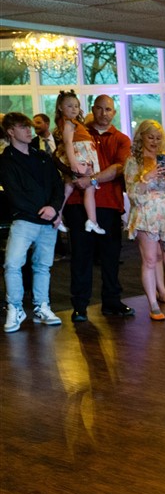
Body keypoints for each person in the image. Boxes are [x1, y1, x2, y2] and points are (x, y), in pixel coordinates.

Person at [64, 95, 135, 322]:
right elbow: (65, 156)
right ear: (93, 109)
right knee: (81, 257)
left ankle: (112, 301)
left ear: (114, 112)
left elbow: (119, 168)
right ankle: (80, 306)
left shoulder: (122, 139)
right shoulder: (78, 131)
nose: (104, 113)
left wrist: (91, 180)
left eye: (109, 109)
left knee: (111, 257)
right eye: (100, 109)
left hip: (110, 203)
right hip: (78, 204)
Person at [1, 112, 63, 333]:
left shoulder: (42, 156)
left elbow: (58, 185)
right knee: (12, 264)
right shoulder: (5, 161)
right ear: (10, 132)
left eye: (29, 127)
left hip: (48, 220)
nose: (29, 130)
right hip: (25, 221)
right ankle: (15, 308)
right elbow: (14, 195)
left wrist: (54, 209)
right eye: (22, 127)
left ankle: (41, 306)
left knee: (43, 266)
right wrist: (47, 213)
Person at [123, 120, 165, 321]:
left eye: (158, 138)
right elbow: (132, 193)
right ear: (141, 137)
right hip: (146, 214)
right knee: (150, 260)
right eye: (150, 137)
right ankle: (153, 303)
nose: (154, 141)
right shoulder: (133, 161)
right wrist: (147, 177)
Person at [53, 90, 104, 235]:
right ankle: (92, 220)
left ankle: (60, 215)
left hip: (81, 154)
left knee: (69, 186)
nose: (74, 109)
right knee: (88, 187)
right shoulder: (68, 123)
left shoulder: (74, 122)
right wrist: (74, 163)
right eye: (69, 106)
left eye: (76, 106)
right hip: (79, 156)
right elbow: (68, 143)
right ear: (61, 108)